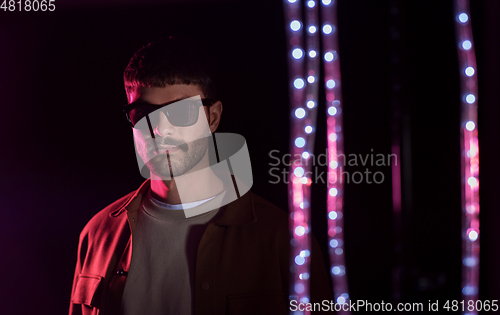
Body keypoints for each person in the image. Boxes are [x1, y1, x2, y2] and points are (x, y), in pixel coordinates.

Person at [69, 36, 332, 315]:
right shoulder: (99, 234)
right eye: (144, 113)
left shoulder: (282, 238)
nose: (162, 129)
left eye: (181, 112)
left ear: (213, 118)